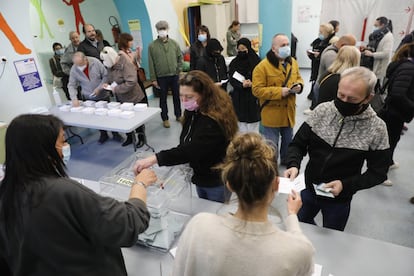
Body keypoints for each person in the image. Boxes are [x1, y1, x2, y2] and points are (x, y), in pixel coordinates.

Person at [0, 114, 157, 275]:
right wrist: (140, 184)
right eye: (63, 141)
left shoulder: (6, 193)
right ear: (44, 150)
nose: (67, 146)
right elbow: (128, 223)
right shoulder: (62, 192)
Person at [172, 133, 315, 276]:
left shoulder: (199, 226)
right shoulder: (298, 251)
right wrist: (292, 216)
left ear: (229, 185)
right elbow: (300, 246)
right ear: (276, 184)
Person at [284, 67, 390, 231]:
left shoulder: (377, 128)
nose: (344, 101)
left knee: (332, 238)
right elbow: (298, 144)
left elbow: (378, 172)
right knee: (298, 227)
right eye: (341, 95)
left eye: (352, 99)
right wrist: (293, 163)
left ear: (368, 97)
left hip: (339, 199)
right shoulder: (322, 110)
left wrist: (346, 185)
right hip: (309, 188)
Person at [133, 71, 238, 203]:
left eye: (189, 97)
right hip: (200, 173)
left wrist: (155, 159)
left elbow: (192, 150)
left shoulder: (213, 120)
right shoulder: (194, 110)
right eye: (181, 96)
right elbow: (187, 142)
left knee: (215, 211)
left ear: (204, 94)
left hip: (215, 179)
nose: (184, 101)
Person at [252, 33, 304, 166]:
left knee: (289, 142)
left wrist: (299, 85)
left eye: (287, 44)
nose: (287, 47)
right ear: (274, 48)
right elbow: (256, 90)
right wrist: (279, 92)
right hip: (271, 113)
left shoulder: (293, 62)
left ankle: (286, 164)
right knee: (271, 145)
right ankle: (271, 168)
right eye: (283, 45)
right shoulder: (262, 67)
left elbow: (298, 77)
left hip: (288, 113)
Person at [378, 43, 414, 186]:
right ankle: (380, 174)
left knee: (393, 138)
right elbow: (398, 93)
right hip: (395, 111)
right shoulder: (410, 69)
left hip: (393, 110)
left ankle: (389, 161)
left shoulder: (401, 64)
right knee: (389, 142)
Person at [68, 51, 123, 144]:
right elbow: (71, 85)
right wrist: (74, 98)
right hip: (88, 96)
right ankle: (103, 134)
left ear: (85, 59)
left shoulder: (95, 62)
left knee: (109, 115)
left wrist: (99, 88)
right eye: (77, 65)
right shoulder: (74, 69)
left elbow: (106, 76)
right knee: (97, 118)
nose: (79, 67)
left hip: (102, 95)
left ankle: (115, 133)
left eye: (81, 64)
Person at [100, 46, 146, 147]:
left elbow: (131, 81)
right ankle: (129, 137)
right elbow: (109, 77)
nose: (105, 64)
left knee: (137, 120)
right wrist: (107, 84)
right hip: (121, 98)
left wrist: (115, 89)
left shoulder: (125, 62)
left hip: (134, 96)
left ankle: (141, 138)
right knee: (125, 119)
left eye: (105, 61)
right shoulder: (110, 64)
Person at [148, 20, 183, 128]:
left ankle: (178, 115)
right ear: (157, 31)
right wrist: (153, 79)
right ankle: (165, 118)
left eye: (164, 29)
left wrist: (179, 70)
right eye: (160, 29)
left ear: (167, 29)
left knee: (176, 96)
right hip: (161, 77)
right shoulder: (152, 46)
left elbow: (179, 58)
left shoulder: (174, 44)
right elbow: (151, 63)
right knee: (162, 98)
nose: (162, 31)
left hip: (174, 75)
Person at [228, 38, 261, 133]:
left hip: (253, 97)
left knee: (253, 129)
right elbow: (232, 78)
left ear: (248, 48)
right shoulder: (234, 63)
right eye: (239, 49)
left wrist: (252, 83)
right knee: (240, 128)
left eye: (244, 49)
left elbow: (261, 78)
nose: (241, 51)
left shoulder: (256, 61)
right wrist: (241, 85)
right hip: (239, 97)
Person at [306, 23, 335, 103]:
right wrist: (311, 55)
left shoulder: (331, 42)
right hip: (316, 66)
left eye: (321, 32)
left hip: (323, 68)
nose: (320, 34)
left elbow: (326, 55)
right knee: (315, 83)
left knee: (319, 86)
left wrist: (319, 55)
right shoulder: (318, 41)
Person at [360, 16, 394, 85]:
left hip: (379, 68)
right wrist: (367, 49)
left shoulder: (388, 37)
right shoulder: (378, 35)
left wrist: (371, 54)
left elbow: (386, 53)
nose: (374, 28)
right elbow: (376, 48)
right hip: (371, 65)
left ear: (382, 25)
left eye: (376, 25)